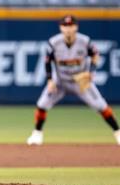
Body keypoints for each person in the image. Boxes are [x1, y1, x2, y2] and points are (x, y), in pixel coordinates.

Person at [27, 15, 120, 146]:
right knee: (42, 104)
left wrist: (91, 71)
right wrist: (49, 80)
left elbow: (95, 55)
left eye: (71, 25)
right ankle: (37, 134)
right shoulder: (54, 42)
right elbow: (47, 61)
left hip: (80, 81)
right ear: (60, 28)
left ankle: (118, 132)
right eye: (65, 26)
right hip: (60, 80)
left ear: (76, 27)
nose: (68, 29)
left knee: (101, 106)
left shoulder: (84, 41)